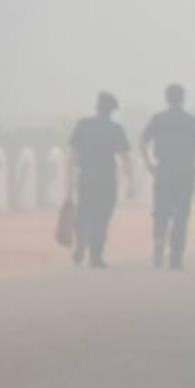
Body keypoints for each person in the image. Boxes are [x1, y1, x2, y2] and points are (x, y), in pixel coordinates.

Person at [140, 84, 195, 270]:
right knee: (181, 215)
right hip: (185, 172)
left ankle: (159, 239)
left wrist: (149, 165)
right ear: (182, 99)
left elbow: (142, 142)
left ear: (166, 98)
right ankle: (176, 254)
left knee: (161, 211)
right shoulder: (192, 122)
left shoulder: (158, 119)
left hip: (163, 170)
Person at [67, 92, 132, 268]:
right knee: (102, 217)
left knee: (84, 211)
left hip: (86, 176)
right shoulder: (116, 129)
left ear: (97, 107)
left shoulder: (83, 125)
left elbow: (73, 154)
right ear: (112, 111)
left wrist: (69, 180)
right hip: (106, 178)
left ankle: (81, 239)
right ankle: (95, 255)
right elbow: (125, 157)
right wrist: (131, 182)